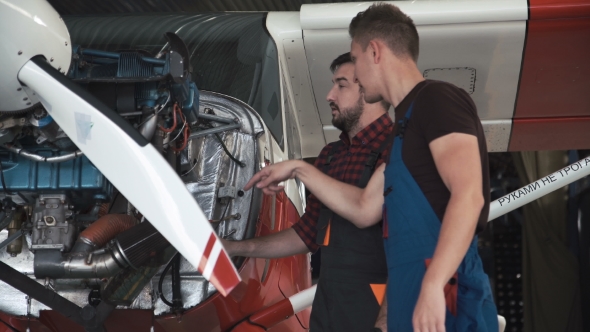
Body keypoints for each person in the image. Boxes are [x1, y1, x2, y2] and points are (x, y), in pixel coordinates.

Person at [244, 3, 498, 332]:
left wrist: (434, 285)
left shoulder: (438, 99)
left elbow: (469, 196)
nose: (358, 77)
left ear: (374, 51)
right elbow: (364, 209)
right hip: (414, 291)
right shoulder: (401, 131)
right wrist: (297, 169)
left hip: (443, 285)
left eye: (356, 59)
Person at [223, 52, 393, 332]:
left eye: (341, 85)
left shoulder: (398, 147)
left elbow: (375, 217)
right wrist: (236, 247)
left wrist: (300, 169)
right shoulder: (331, 155)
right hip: (330, 306)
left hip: (378, 308)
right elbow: (306, 234)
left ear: (370, 91)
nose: (330, 95)